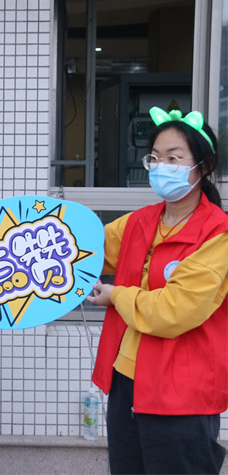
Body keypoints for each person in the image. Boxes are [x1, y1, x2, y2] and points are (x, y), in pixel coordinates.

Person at [87, 107, 228, 474]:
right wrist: (5, 230)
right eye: (155, 158)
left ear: (205, 167)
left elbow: (173, 311)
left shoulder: (218, 234)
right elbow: (77, 248)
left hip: (182, 394)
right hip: (126, 382)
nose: (162, 166)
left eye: (174, 158)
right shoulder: (139, 222)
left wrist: (116, 295)